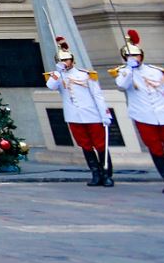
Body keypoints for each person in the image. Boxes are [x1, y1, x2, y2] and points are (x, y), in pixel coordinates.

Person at [113, 29, 164, 194]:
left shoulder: (156, 72)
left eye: (136, 56)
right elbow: (122, 86)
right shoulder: (123, 73)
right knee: (156, 149)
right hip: (144, 117)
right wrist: (129, 70)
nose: (134, 58)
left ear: (142, 56)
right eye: (129, 56)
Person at [45, 34, 113, 187]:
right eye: (61, 60)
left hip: (92, 115)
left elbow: (97, 96)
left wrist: (104, 114)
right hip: (74, 116)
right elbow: (51, 86)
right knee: (86, 146)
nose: (65, 63)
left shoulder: (86, 75)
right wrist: (58, 73)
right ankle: (95, 173)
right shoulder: (57, 76)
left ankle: (106, 174)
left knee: (101, 145)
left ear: (72, 60)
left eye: (67, 60)